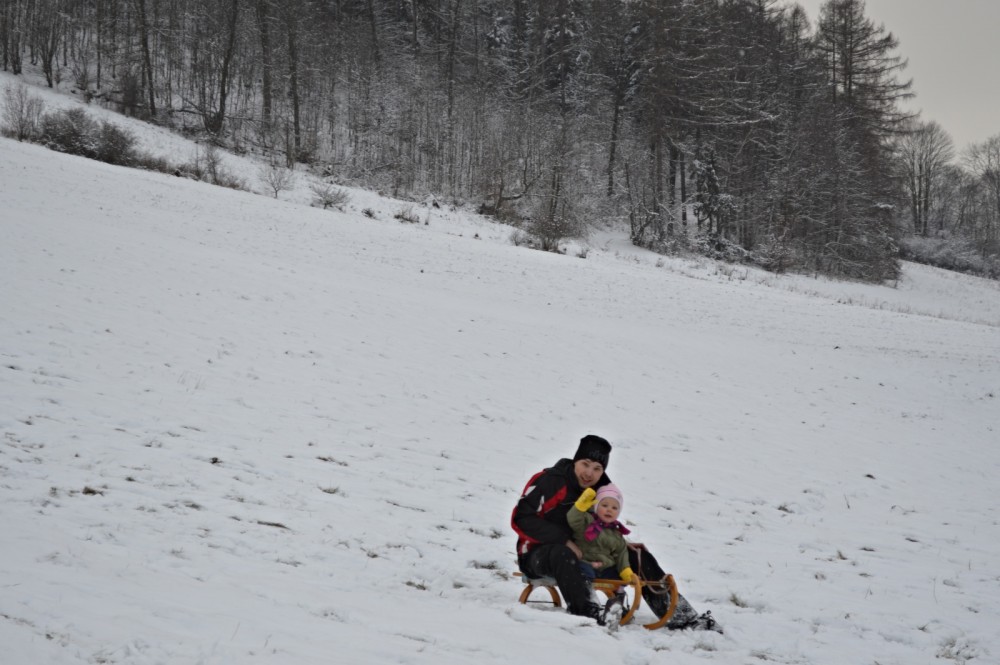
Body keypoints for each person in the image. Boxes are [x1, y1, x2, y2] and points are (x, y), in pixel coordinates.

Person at [511, 434, 719, 631]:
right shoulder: (550, 480)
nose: (589, 473)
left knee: (637, 555)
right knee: (563, 554)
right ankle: (590, 612)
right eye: (585, 464)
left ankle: (682, 616)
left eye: (597, 468)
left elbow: (602, 521)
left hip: (585, 554)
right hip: (537, 555)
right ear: (575, 461)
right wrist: (564, 541)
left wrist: (618, 543)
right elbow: (521, 518)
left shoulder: (601, 487)